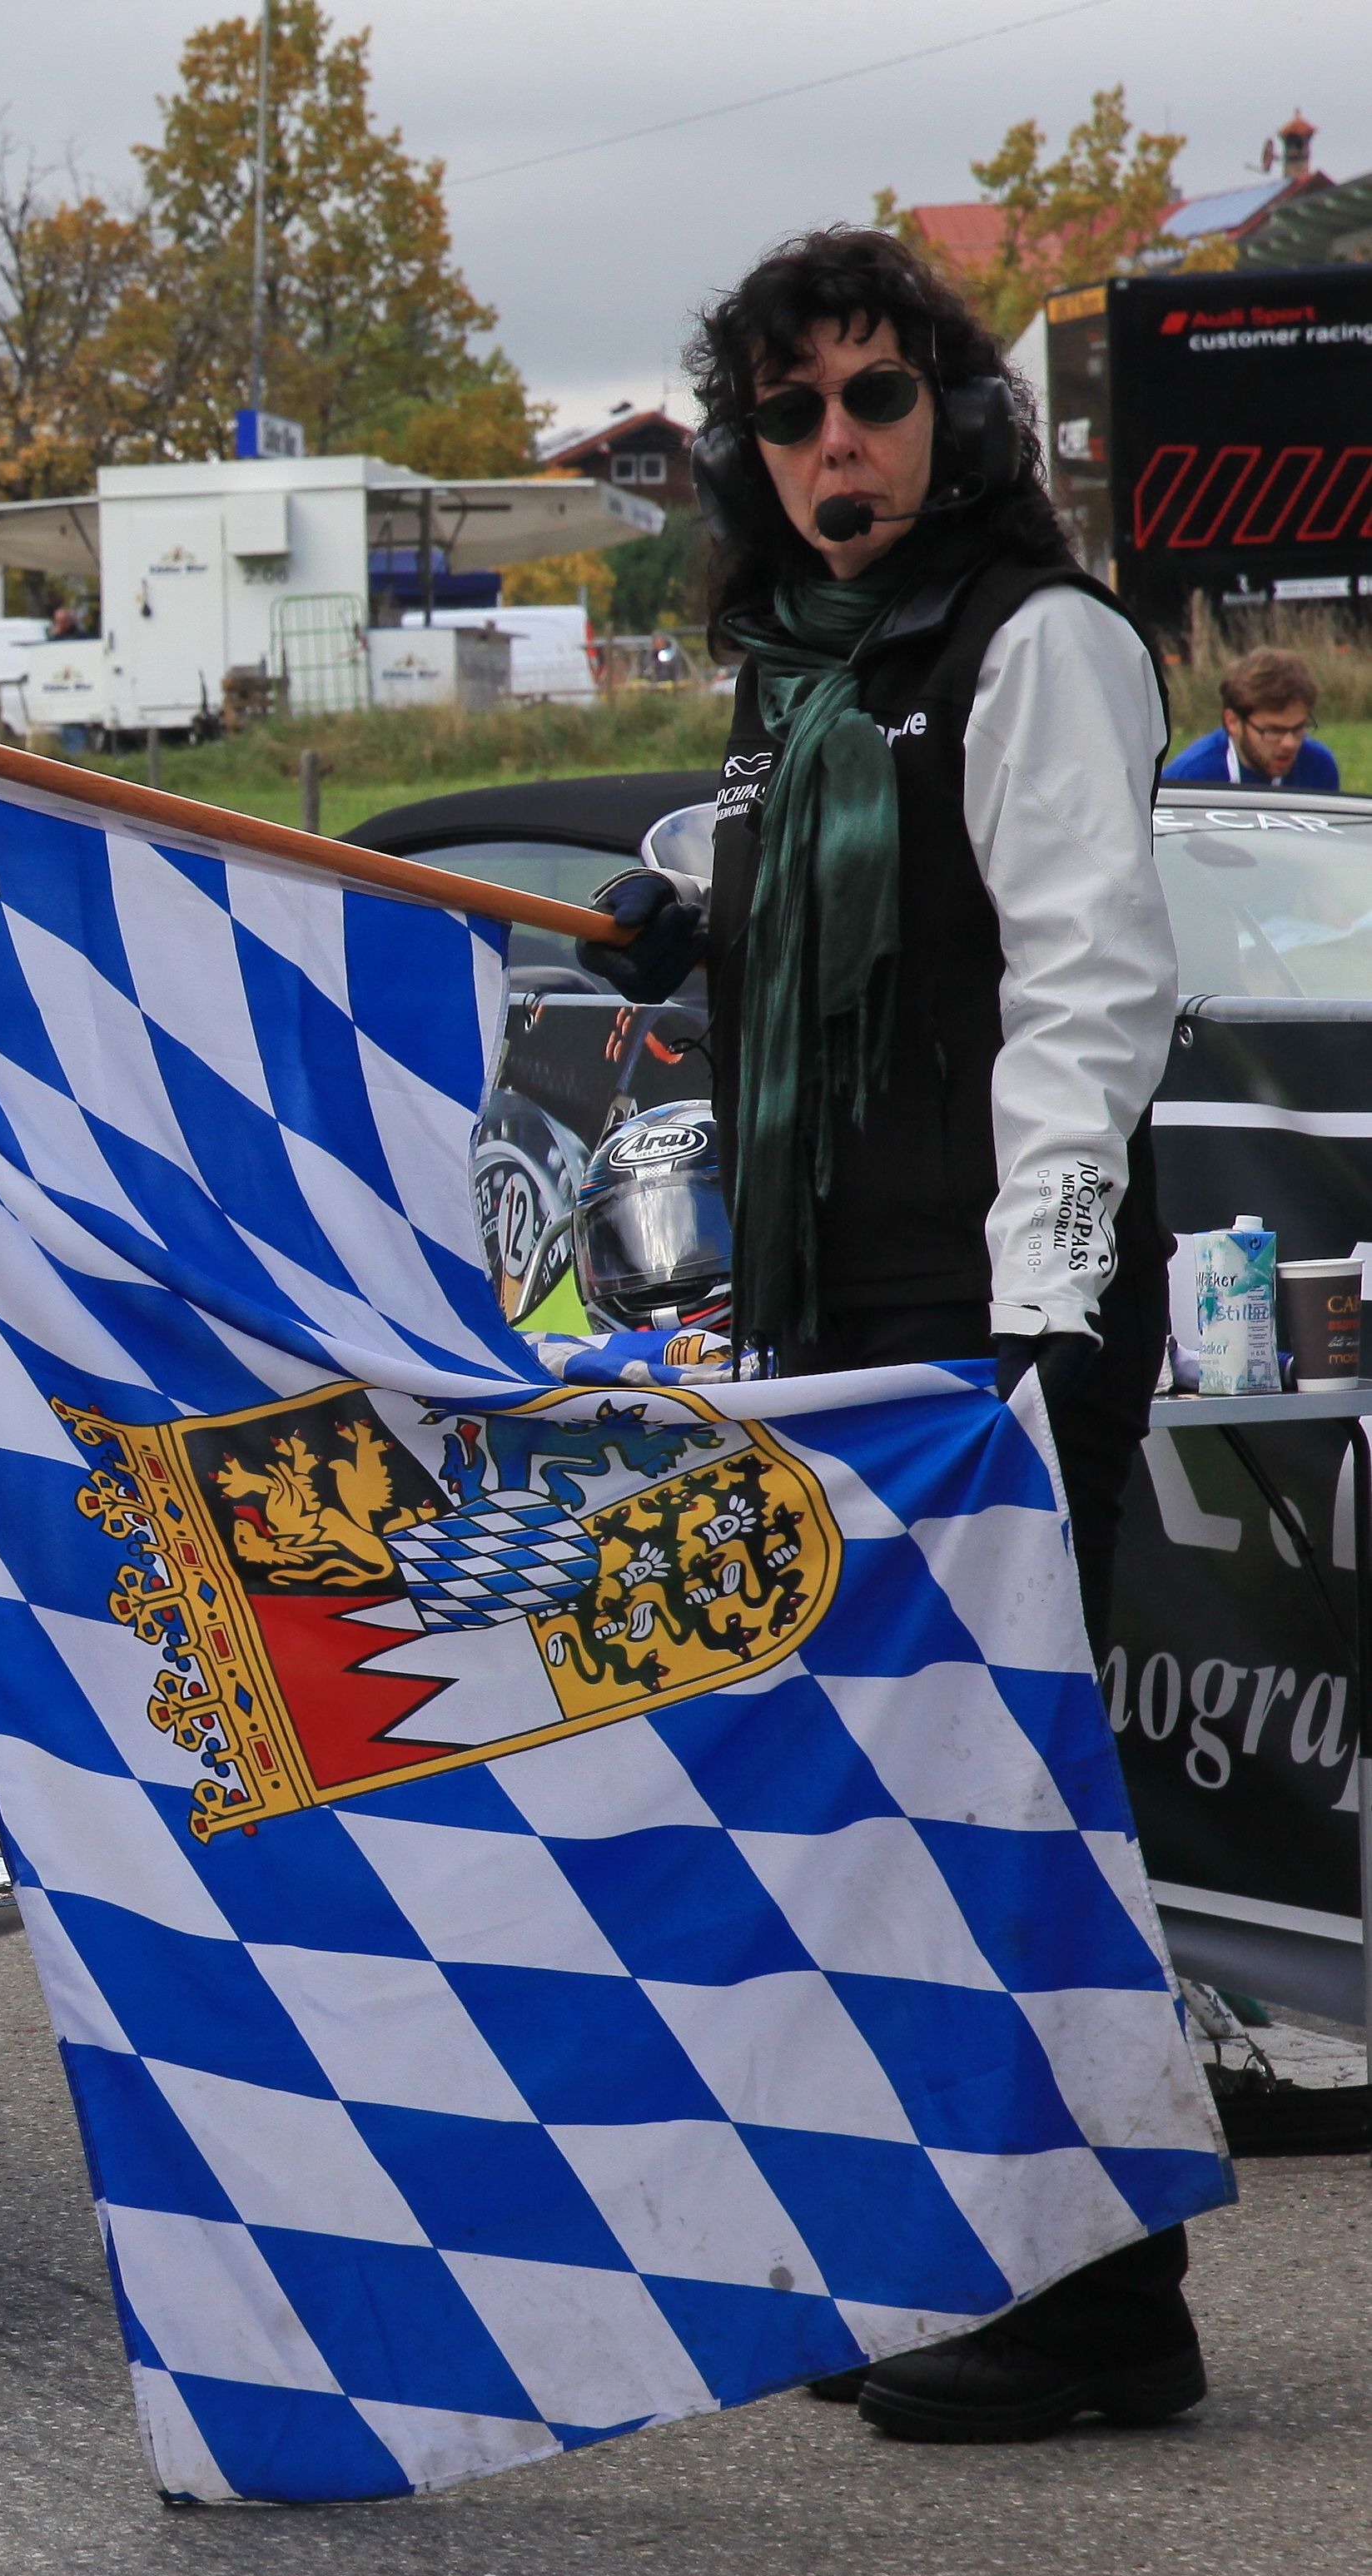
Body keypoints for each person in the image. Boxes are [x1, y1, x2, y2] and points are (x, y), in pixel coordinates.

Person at [593, 228, 1191, 2445]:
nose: (831, 444)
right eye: (785, 413)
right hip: (828, 1305)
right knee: (874, 1796)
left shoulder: (1035, 638)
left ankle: (1111, 2304)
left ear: (946, 405)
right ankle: (967, 2247)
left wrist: (1041, 1314)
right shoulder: (793, 677)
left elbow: (1082, 985)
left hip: (995, 1305)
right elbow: (807, 965)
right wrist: (684, 937)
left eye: (868, 396)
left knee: (1010, 1794)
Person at [1159, 648, 1341, 792]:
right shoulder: (1191, 776)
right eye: (1273, 731)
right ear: (1233, 722)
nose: (1290, 743)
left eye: (1299, 728)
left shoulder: (1319, 767)